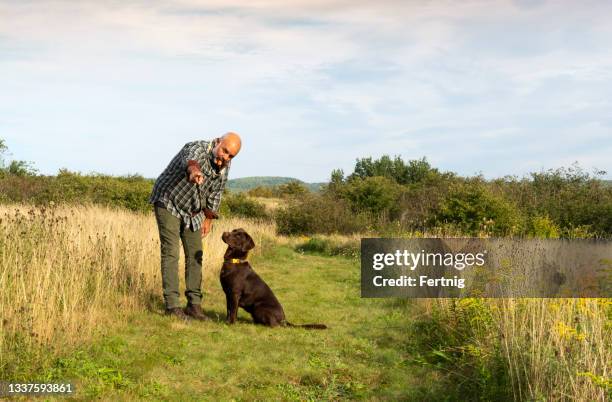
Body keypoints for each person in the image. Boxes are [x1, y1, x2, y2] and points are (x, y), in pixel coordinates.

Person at [149, 132, 241, 320]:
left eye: (231, 155)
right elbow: (190, 161)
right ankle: (172, 306)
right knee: (171, 253)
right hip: (168, 202)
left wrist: (208, 219)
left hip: (194, 211)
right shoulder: (196, 148)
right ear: (217, 142)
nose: (226, 157)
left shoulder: (224, 165)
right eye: (224, 151)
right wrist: (194, 172)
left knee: (196, 255)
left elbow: (216, 192)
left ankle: (194, 306)